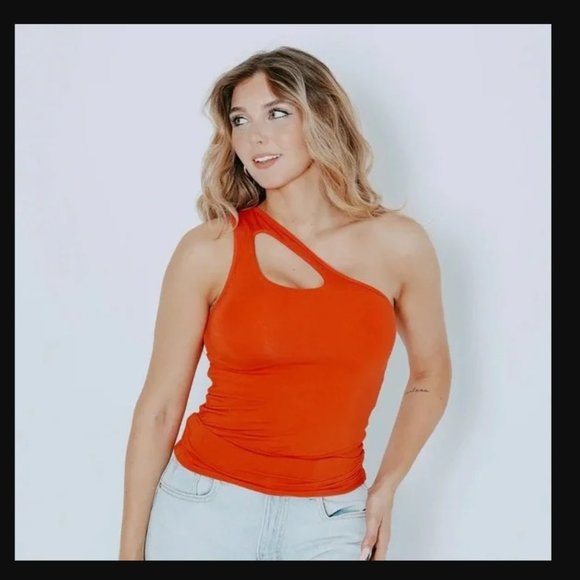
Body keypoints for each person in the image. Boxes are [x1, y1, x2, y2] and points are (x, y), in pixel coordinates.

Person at [119, 46, 452, 561]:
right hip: (203, 511)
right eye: (240, 120)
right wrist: (128, 554)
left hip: (331, 520)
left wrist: (386, 486)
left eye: (277, 113)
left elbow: (430, 373)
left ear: (322, 116)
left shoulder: (399, 245)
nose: (255, 136)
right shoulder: (209, 249)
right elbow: (160, 409)